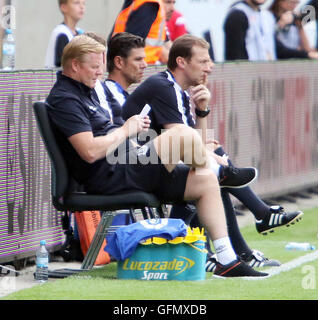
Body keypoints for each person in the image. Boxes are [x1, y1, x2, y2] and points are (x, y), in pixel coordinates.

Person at [46, 34, 268, 278]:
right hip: (112, 175)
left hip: (128, 163)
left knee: (204, 180)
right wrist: (125, 130)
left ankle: (227, 260)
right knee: (181, 134)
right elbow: (89, 152)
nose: (100, 73)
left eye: (101, 66)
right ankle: (221, 171)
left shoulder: (84, 90)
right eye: (95, 67)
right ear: (75, 66)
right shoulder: (65, 98)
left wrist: (133, 134)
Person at [122, 34, 304, 269]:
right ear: (182, 62)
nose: (210, 67)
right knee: (212, 170)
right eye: (204, 61)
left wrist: (202, 111)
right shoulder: (163, 85)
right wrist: (212, 156)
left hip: (152, 163)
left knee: (210, 167)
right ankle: (252, 217)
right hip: (131, 168)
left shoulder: (176, 89)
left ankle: (235, 244)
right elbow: (186, 140)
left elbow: (194, 141)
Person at [223, 0, 318, 61]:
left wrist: (309, 54)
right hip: (246, 82)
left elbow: (278, 49)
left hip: (266, 79)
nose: (294, 5)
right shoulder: (237, 15)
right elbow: (234, 59)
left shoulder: (266, 17)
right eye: (291, 2)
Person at [110, 0, 171, 65]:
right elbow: (132, 44)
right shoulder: (146, 4)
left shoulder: (147, 4)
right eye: (168, 2)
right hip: (140, 65)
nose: (172, 8)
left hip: (140, 65)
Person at [45, 0, 86, 68]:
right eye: (76, 3)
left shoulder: (81, 33)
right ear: (63, 7)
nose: (82, 7)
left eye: (84, 3)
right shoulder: (61, 33)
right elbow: (65, 67)